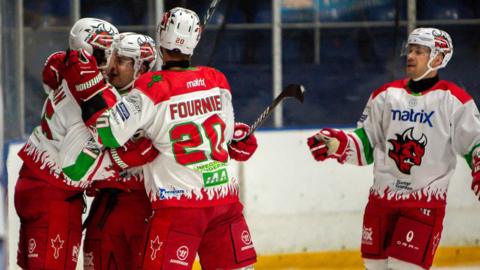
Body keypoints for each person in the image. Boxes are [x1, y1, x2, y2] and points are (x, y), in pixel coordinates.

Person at [62, 7, 259, 269]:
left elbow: (108, 133)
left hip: (179, 207)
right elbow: (226, 135)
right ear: (195, 40)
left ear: (160, 37)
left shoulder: (151, 87)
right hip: (224, 202)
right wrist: (239, 138)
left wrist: (91, 94)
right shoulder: (217, 80)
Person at [307, 27, 480, 270]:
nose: (411, 56)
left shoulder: (455, 101)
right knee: (373, 265)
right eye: (410, 50)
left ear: (439, 58)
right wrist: (337, 145)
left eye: (420, 51)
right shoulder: (385, 96)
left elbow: (475, 143)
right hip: (381, 201)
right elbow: (366, 144)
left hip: (424, 204)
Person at [14, 18, 158, 270]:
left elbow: (54, 70)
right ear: (88, 52)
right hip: (55, 195)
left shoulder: (72, 71)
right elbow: (79, 163)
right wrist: (132, 156)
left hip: (36, 183)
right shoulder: (90, 88)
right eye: (106, 53)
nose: (110, 63)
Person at [82, 32, 158, 270]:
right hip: (104, 211)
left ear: (142, 67)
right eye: (111, 56)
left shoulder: (159, 101)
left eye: (121, 60)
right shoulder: (97, 96)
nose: (111, 67)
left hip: (143, 211)